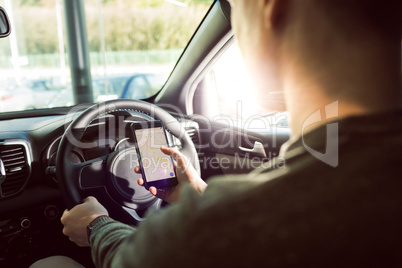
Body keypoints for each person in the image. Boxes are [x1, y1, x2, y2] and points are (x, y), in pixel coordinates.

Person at [32, 0, 402, 267]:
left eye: (237, 12)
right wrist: (195, 192)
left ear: (271, 9)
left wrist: (96, 225)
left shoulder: (224, 225)